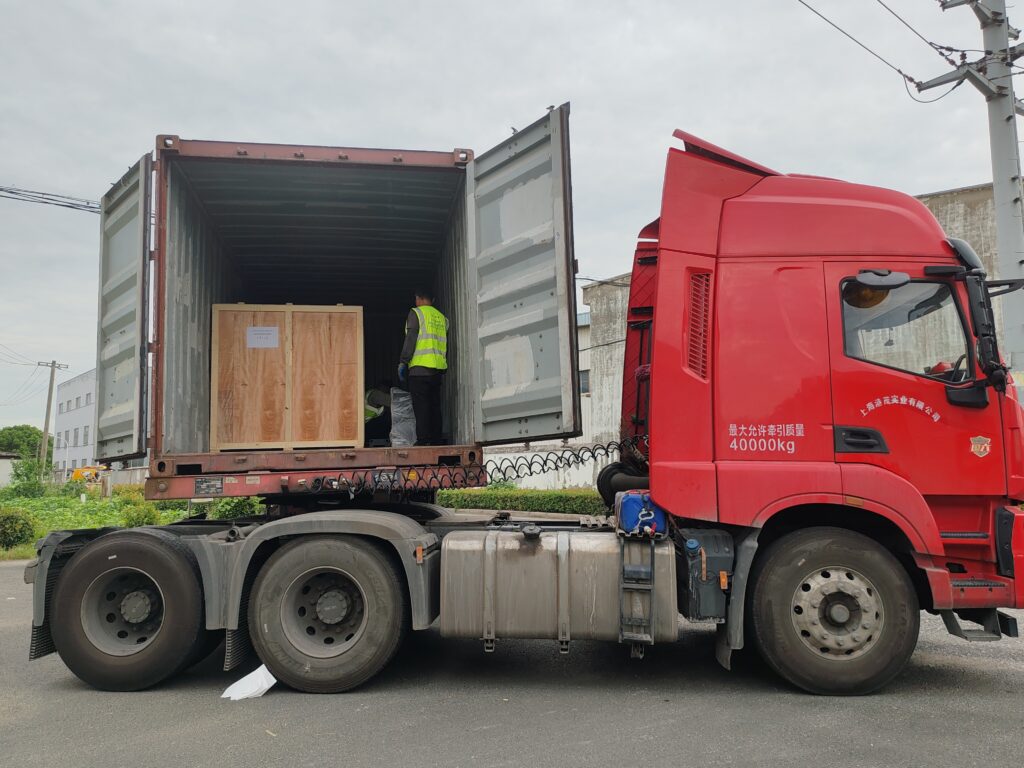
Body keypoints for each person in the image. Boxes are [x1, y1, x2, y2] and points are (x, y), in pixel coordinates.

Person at [397, 287, 448, 445]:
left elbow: (411, 338)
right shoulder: (442, 318)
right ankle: (436, 439)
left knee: (421, 406)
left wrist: (403, 361)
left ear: (418, 298)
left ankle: (424, 440)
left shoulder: (416, 313)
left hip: (419, 369)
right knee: (434, 405)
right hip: (437, 370)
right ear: (432, 300)